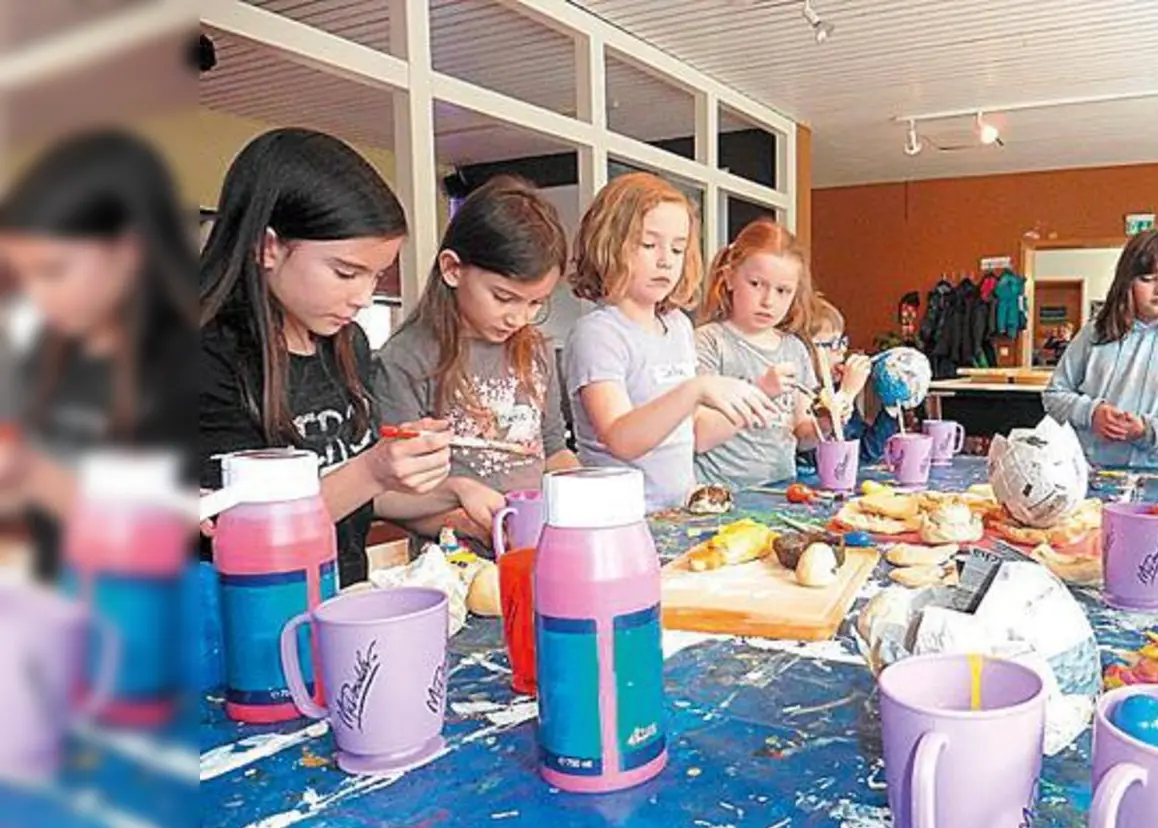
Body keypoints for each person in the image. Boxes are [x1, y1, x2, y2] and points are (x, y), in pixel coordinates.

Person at [197, 128, 455, 587]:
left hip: (341, 600)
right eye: (345, 272)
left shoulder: (346, 343)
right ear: (267, 246)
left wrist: (449, 489)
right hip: (250, 619)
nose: (362, 297)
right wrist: (374, 468)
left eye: (376, 276)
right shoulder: (204, 356)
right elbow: (240, 532)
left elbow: (351, 496)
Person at [0, 130, 195, 578]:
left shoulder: (186, 366)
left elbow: (179, 528)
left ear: (128, 252)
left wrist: (36, 477)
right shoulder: (46, 356)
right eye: (23, 274)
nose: (37, 295)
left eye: (53, 270)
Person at [374, 176, 579, 544]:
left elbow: (554, 450)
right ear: (453, 269)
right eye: (503, 297)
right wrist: (463, 512)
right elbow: (390, 493)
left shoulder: (536, 350)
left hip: (537, 544)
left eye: (535, 303)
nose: (519, 318)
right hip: (456, 561)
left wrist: (584, 493)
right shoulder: (406, 359)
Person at [563, 173, 777, 511]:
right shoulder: (598, 333)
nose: (666, 260)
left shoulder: (677, 326)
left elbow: (698, 434)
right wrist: (696, 389)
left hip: (679, 512)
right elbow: (621, 438)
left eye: (678, 248)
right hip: (622, 519)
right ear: (608, 244)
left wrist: (757, 396)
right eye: (649, 245)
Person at [1042, 227, 1158, 469]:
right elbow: (1053, 396)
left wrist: (1146, 431)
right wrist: (1091, 413)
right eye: (1147, 279)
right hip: (1084, 470)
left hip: (1156, 478)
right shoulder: (1095, 333)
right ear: (1127, 281)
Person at [692, 220, 822, 487]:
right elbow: (700, 435)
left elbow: (802, 435)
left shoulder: (794, 348)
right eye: (755, 284)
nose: (768, 301)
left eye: (782, 291)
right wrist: (761, 392)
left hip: (782, 489)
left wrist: (826, 421)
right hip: (721, 496)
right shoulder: (708, 342)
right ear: (729, 277)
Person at [806, 298, 891, 464]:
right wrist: (847, 395)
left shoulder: (835, 388)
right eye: (833, 344)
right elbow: (826, 459)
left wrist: (891, 408)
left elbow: (865, 452)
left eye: (843, 342)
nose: (842, 351)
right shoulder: (800, 396)